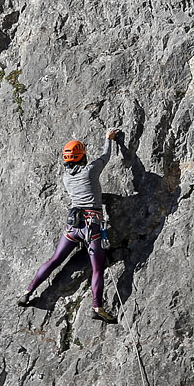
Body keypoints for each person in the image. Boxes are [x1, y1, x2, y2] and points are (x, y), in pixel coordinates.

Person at [17, 128, 122, 322]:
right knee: (97, 268)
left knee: (55, 259)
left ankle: (28, 292)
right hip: (92, 227)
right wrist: (109, 139)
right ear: (82, 156)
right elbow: (105, 156)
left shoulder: (67, 178)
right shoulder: (90, 171)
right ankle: (98, 308)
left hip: (73, 226)